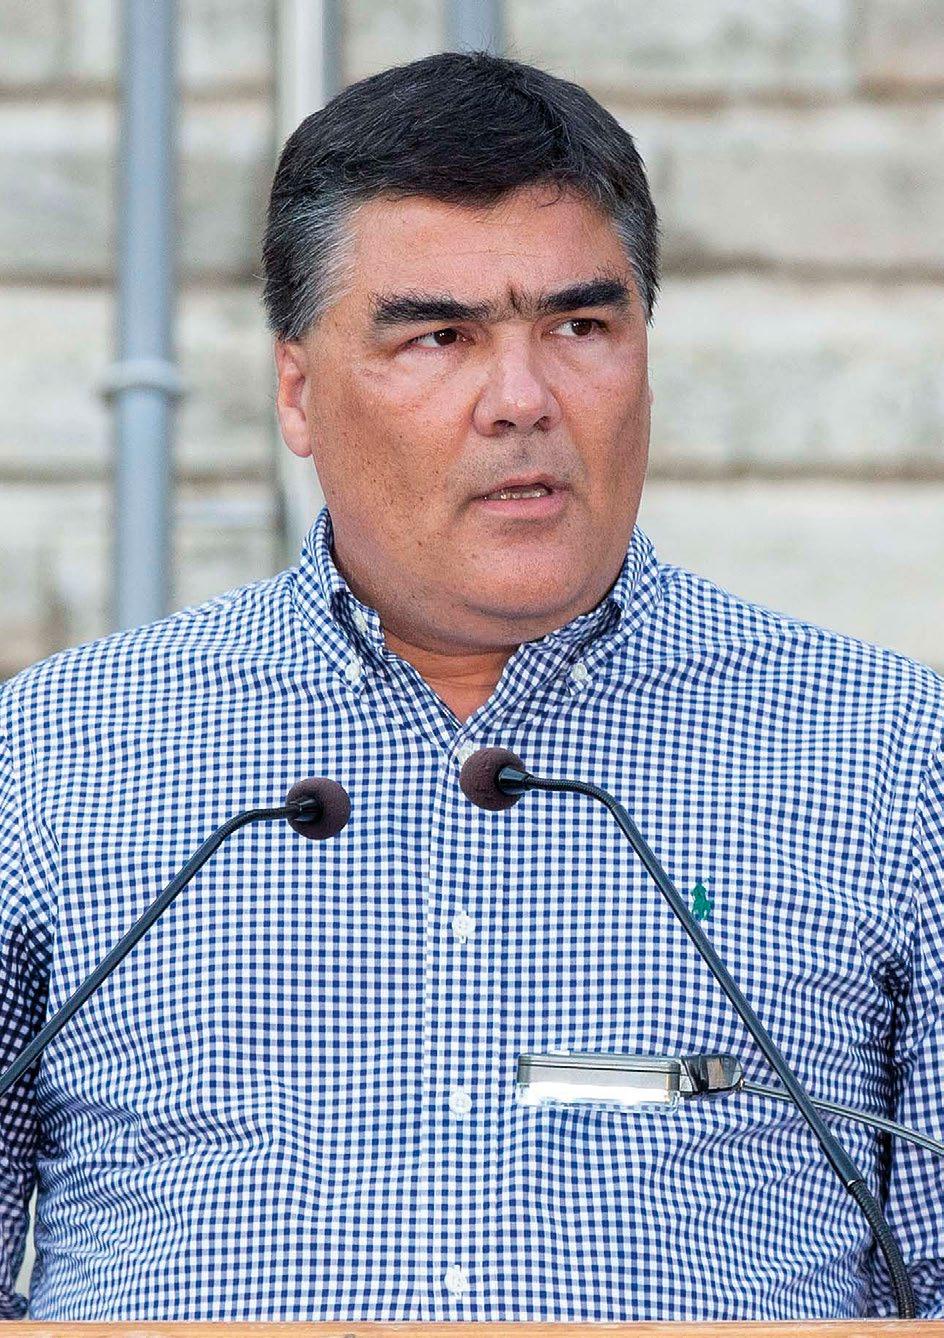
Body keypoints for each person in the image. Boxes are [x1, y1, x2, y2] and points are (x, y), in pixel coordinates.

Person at [1, 50, 942, 1322]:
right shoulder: (57, 753)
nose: (520, 401)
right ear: (297, 393)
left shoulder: (888, 754)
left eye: (579, 327)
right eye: (438, 337)